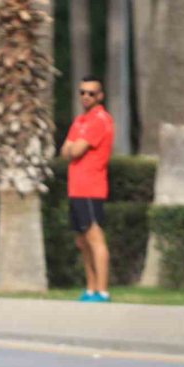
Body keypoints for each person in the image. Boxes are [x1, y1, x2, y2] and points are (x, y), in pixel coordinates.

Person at [61, 75, 114, 303]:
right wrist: (73, 146)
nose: (85, 96)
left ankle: (102, 291)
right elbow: (65, 151)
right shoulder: (80, 121)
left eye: (91, 93)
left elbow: (76, 150)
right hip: (76, 188)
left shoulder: (99, 120)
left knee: (94, 238)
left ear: (100, 96)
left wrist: (74, 146)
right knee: (82, 242)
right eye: (82, 92)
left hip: (91, 188)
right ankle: (90, 289)